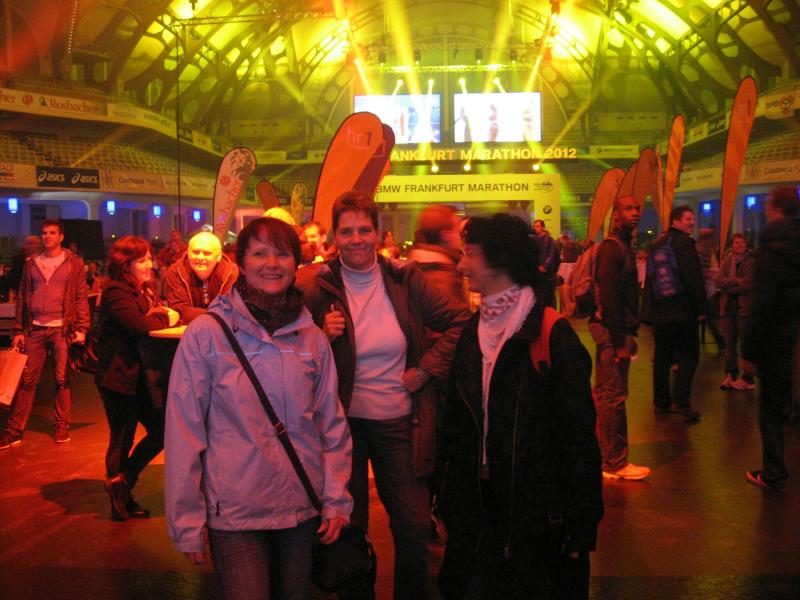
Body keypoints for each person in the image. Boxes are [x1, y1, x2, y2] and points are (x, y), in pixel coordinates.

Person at [165, 217, 352, 599]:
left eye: (282, 254)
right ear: (241, 262)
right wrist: (186, 520)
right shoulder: (207, 334)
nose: (271, 264)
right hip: (236, 512)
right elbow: (184, 431)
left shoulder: (311, 338)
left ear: (296, 263)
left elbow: (331, 424)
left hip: (300, 504)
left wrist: (336, 498)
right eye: (259, 253)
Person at [297, 191, 471, 600]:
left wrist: (425, 369)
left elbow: (461, 320)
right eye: (347, 231)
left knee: (413, 524)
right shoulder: (317, 284)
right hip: (341, 426)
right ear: (334, 237)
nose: (356, 239)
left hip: (399, 421)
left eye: (364, 229)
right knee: (349, 525)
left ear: (378, 233)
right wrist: (321, 336)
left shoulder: (404, 279)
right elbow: (287, 349)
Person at [437, 213, 603, 600]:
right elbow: (456, 425)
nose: (461, 266)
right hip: (479, 509)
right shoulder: (471, 334)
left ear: (501, 259)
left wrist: (581, 522)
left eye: (470, 254)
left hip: (536, 516)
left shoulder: (549, 335)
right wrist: (447, 499)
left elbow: (578, 437)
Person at [94, 236, 180, 520]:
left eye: (149, 259)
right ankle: (120, 501)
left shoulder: (142, 290)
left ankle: (123, 482)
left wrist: (161, 314)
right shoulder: (116, 291)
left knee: (162, 431)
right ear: (125, 264)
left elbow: (150, 318)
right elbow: (139, 325)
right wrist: (165, 317)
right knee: (122, 438)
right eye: (141, 260)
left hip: (140, 377)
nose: (149, 265)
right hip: (118, 378)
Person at [0, 220, 89, 449]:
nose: (47, 236)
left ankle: (62, 425)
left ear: (61, 236)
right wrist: (18, 329)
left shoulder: (73, 263)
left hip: (62, 328)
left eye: (52, 233)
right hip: (36, 328)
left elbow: (80, 295)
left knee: (61, 378)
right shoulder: (32, 262)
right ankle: (14, 430)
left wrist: (82, 328)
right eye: (44, 233)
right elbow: (23, 296)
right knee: (27, 381)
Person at [743, 187, 800, 490]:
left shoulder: (771, 247)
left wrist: (749, 351)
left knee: (771, 410)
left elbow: (762, 304)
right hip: (794, 335)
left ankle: (773, 471)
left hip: (775, 340)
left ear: (775, 208)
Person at [590, 196, 650, 481]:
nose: (634, 213)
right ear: (615, 215)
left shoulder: (621, 246)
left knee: (607, 395)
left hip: (614, 331)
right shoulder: (613, 248)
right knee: (613, 396)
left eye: (636, 208)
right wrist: (619, 340)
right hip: (612, 333)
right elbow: (609, 297)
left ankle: (607, 456)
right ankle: (614, 462)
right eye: (628, 208)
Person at [643, 205, 708, 422]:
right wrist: (702, 309)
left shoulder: (657, 244)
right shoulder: (685, 243)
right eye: (688, 219)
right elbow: (693, 278)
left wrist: (648, 313)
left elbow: (650, 280)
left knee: (662, 356)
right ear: (676, 221)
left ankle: (660, 401)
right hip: (683, 311)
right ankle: (681, 400)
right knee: (690, 354)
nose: (692, 222)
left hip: (661, 313)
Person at [165, 231, 238, 324]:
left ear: (219, 256)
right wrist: (216, 315)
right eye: (195, 252)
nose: (200, 257)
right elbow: (178, 310)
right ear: (188, 253)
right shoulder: (175, 272)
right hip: (186, 331)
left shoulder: (231, 272)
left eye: (207, 253)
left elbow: (232, 310)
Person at [717, 233, 756, 391]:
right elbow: (718, 281)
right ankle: (730, 375)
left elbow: (748, 284)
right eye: (736, 243)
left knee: (745, 344)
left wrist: (729, 287)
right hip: (728, 307)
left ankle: (748, 378)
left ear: (746, 244)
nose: (739, 245)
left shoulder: (751, 261)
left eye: (742, 243)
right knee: (729, 344)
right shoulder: (728, 260)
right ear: (731, 245)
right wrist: (735, 280)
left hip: (744, 308)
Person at [407, 204, 466, 302]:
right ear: (446, 235)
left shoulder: (416, 267)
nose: (460, 237)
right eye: (457, 231)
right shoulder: (441, 274)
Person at [6, 235, 42, 302]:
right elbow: (12, 280)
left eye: (33, 244)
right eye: (28, 244)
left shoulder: (44, 259)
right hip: (21, 295)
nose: (29, 246)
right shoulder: (17, 260)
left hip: (39, 295)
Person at [533, 219, 559, 308]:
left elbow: (551, 255)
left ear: (543, 228)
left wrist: (544, 266)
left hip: (546, 271)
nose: (535, 228)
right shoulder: (535, 239)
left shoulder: (549, 239)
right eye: (534, 226)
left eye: (537, 226)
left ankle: (550, 310)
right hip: (537, 270)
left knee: (548, 293)